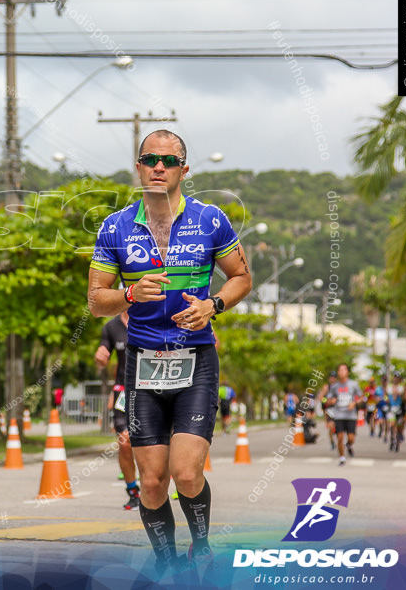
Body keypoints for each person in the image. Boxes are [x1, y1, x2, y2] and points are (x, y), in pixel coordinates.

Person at [88, 130, 253, 573]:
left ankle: (200, 542)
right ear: (139, 167)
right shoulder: (116, 226)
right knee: (153, 483)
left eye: (169, 160)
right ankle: (167, 562)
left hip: (196, 360)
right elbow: (95, 298)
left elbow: (241, 277)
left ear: (184, 169)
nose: (159, 167)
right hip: (143, 366)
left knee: (185, 473)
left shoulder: (210, 219)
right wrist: (128, 293)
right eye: (150, 159)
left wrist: (212, 305)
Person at [94, 311, 140, 510]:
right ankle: (133, 492)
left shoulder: (150, 317)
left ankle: (155, 488)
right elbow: (103, 355)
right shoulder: (111, 327)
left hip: (151, 389)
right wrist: (100, 357)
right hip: (123, 391)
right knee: (124, 442)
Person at [323, 363, 361, 466]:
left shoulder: (353, 384)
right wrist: (330, 401)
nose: (341, 372)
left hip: (351, 415)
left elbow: (362, 397)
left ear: (347, 372)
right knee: (339, 437)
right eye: (340, 370)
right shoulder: (335, 386)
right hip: (339, 415)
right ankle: (342, 457)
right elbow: (327, 399)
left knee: (351, 438)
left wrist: (355, 403)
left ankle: (349, 445)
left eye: (344, 370)